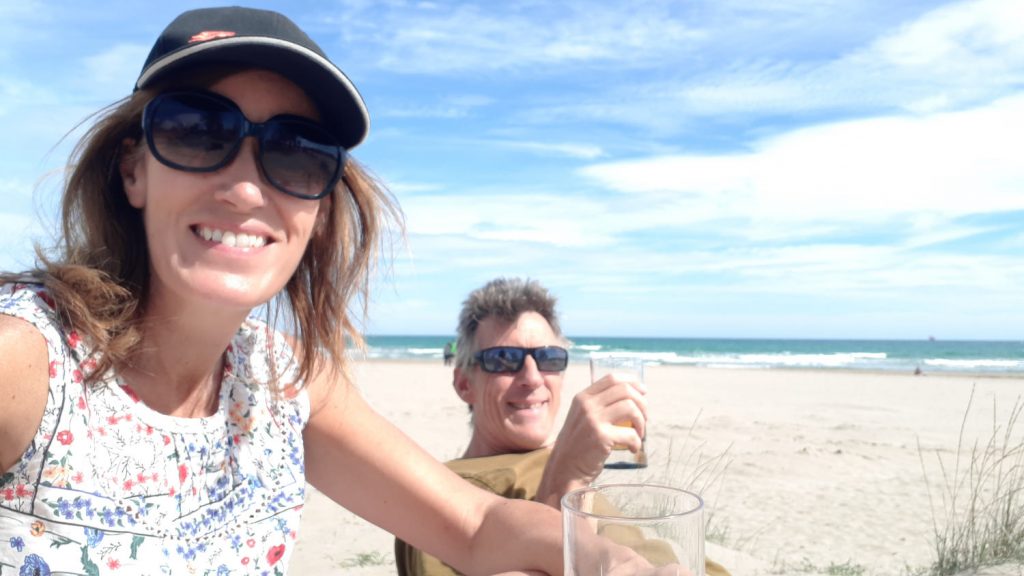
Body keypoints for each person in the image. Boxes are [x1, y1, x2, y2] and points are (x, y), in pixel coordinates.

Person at [0, 8, 585, 575]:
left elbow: (477, 526)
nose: (247, 190)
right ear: (134, 170)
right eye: (199, 132)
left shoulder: (282, 380)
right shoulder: (27, 362)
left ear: (321, 212)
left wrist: (613, 562)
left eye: (296, 153)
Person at [395, 278, 730, 575]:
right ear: (465, 383)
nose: (532, 377)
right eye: (503, 359)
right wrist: (565, 481)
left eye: (549, 358)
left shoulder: (568, 455)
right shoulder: (437, 494)